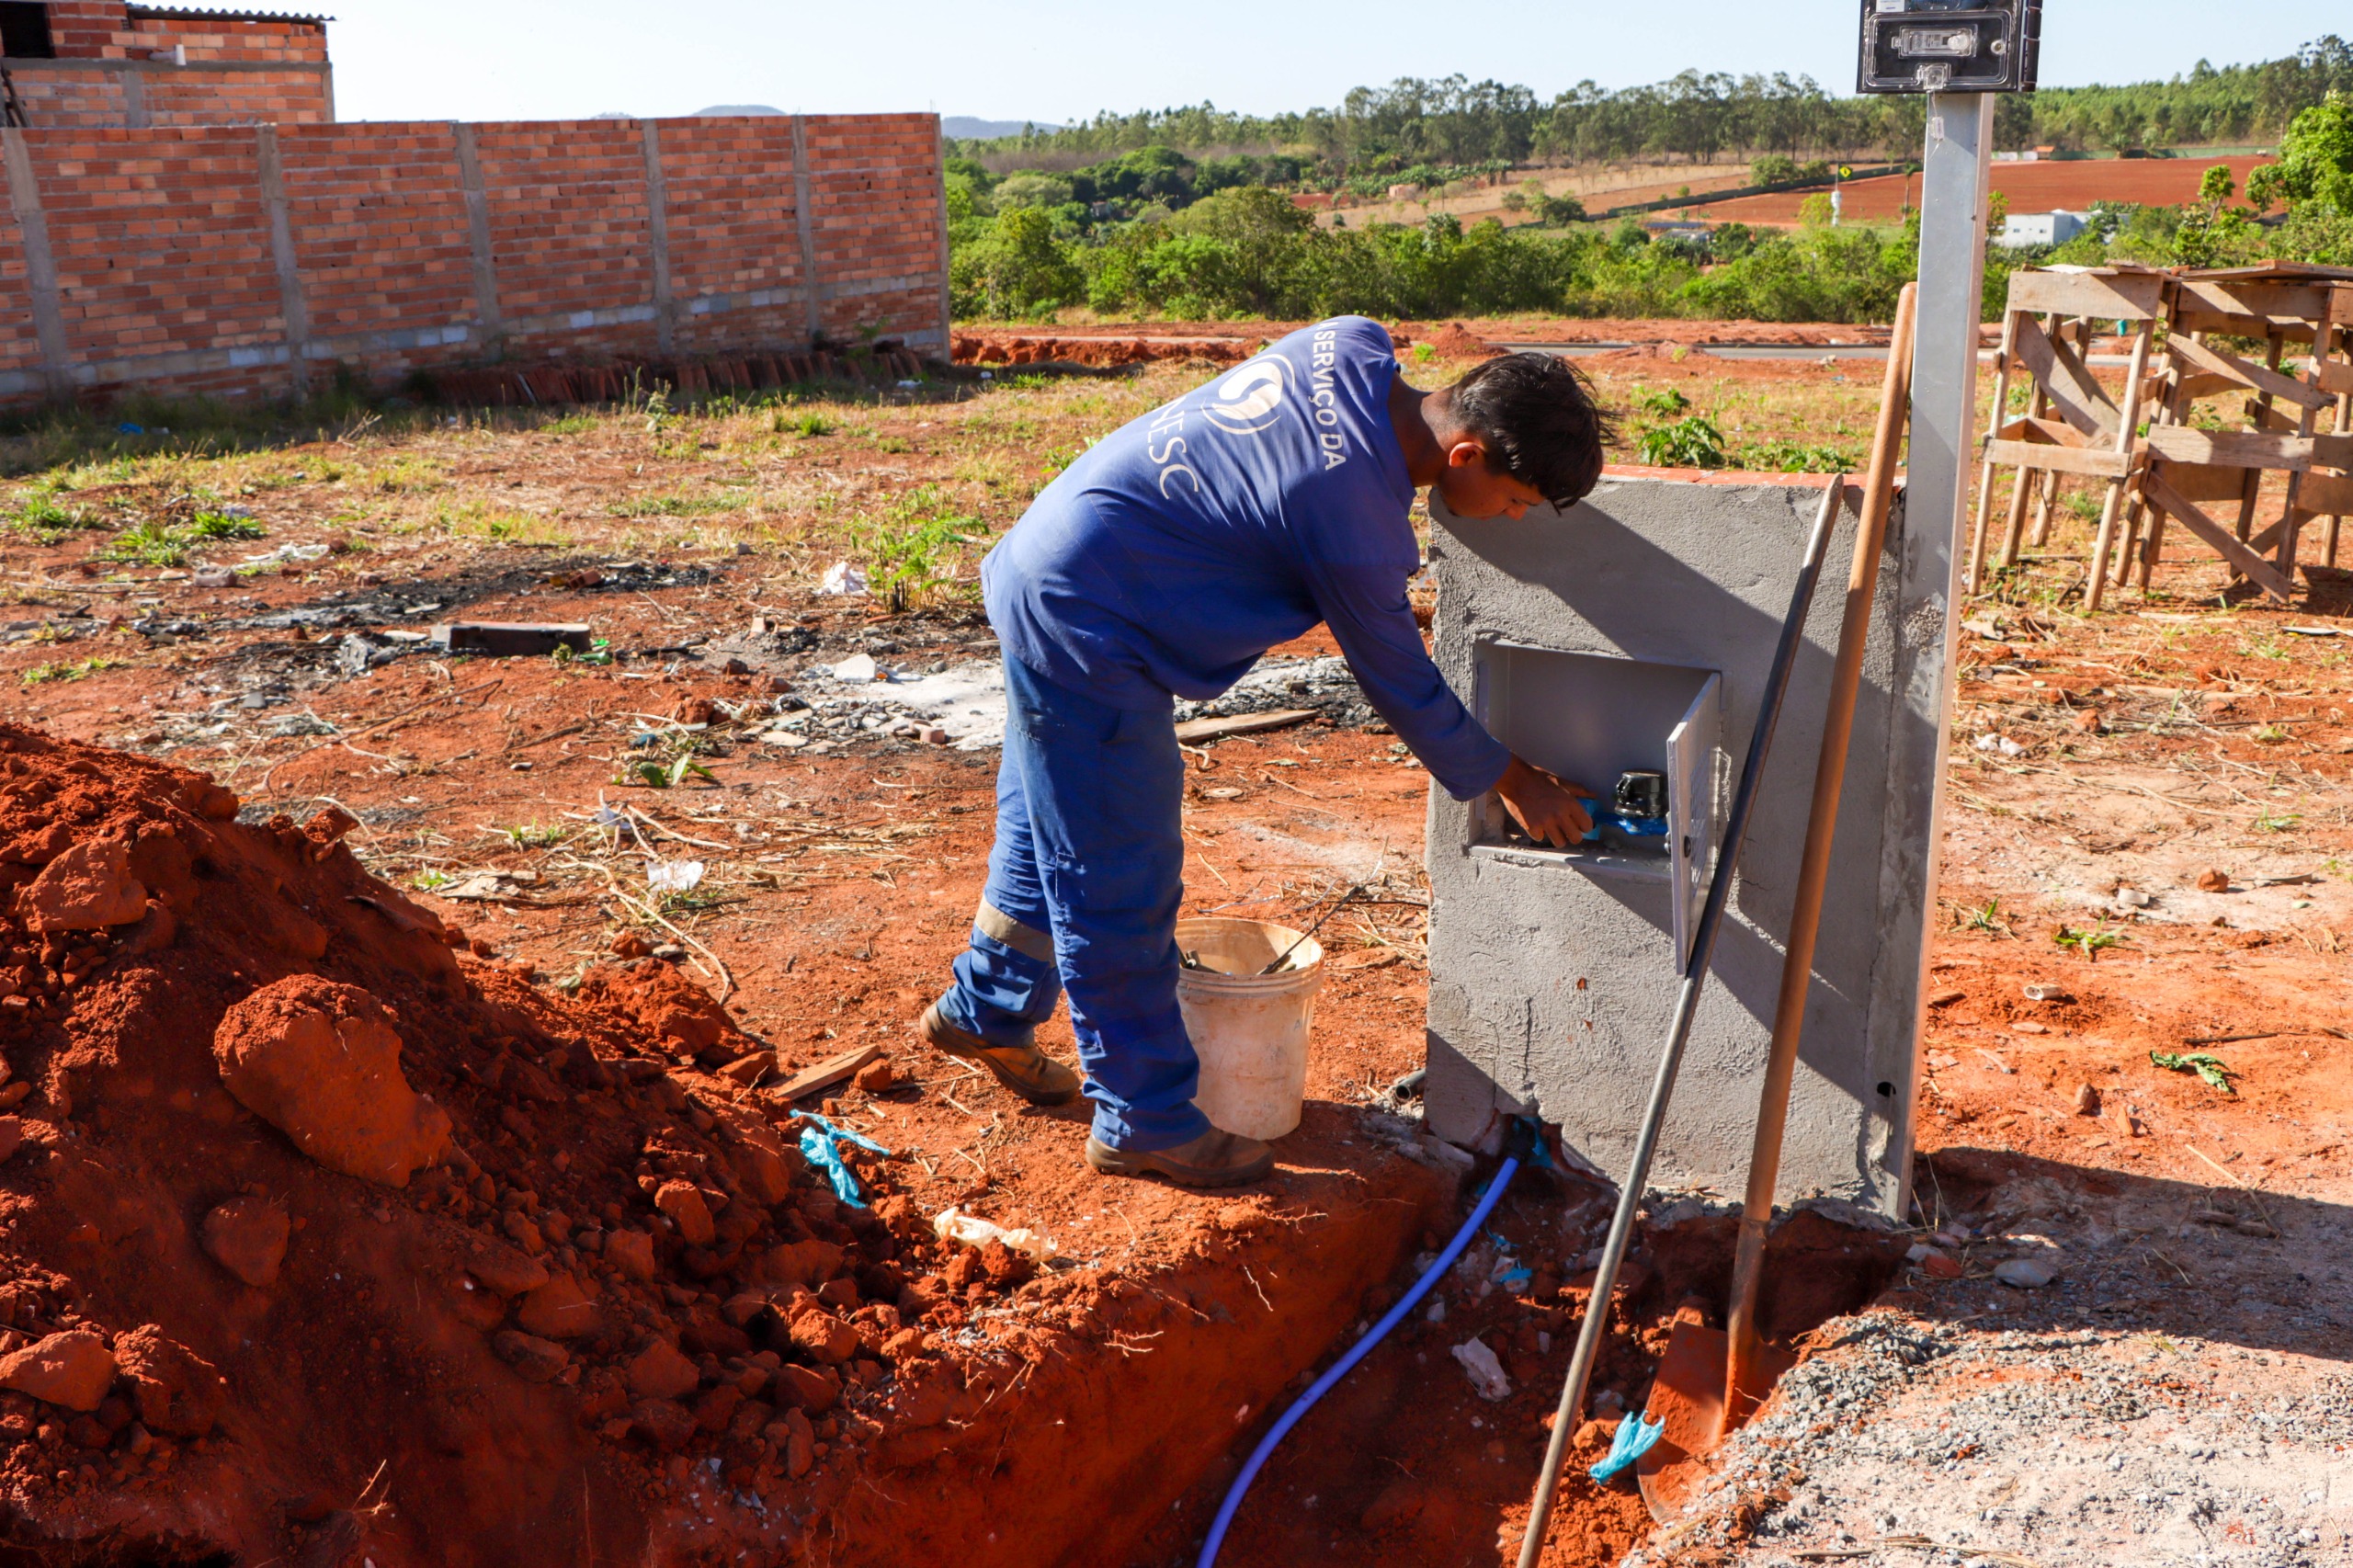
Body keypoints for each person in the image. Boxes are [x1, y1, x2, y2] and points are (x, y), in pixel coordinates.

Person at [917, 316, 1611, 1187]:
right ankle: (1143, 1118)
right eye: (1514, 501)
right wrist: (1512, 778)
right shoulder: (1353, 521)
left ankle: (985, 1006)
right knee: (1116, 872)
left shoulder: (1353, 345)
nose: (1508, 520)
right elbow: (1402, 683)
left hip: (1060, 554)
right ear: (1467, 455)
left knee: (1049, 832)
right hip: (1091, 624)